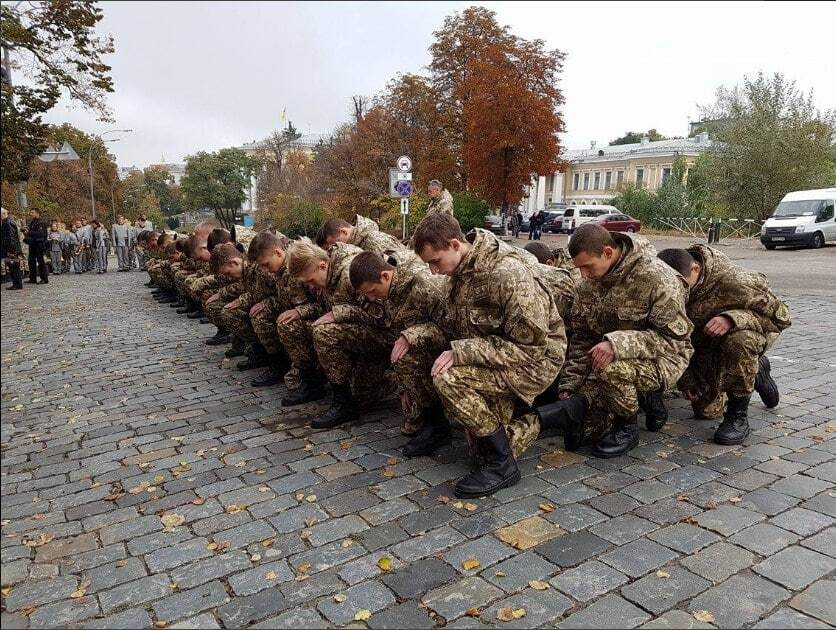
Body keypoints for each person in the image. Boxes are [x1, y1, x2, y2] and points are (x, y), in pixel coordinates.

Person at [412, 214, 566, 497]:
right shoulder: (458, 274)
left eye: (435, 261)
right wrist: (413, 336)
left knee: (448, 379)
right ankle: (550, 417)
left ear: (455, 244)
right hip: (495, 357)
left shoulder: (506, 274)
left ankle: (505, 462)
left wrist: (462, 352)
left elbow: (529, 349)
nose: (433, 271)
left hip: (534, 363)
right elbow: (453, 326)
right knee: (475, 452)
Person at [538, 223, 692, 458]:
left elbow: (673, 340)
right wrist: (569, 386)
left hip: (663, 357)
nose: (583, 275)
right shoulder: (586, 285)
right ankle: (639, 398)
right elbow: (582, 339)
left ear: (608, 252)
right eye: (579, 268)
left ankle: (627, 426)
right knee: (578, 434)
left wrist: (618, 344)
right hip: (606, 356)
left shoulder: (658, 278)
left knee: (613, 371)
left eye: (588, 267)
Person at [657, 246, 791, 445]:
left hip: (745, 336)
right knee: (706, 411)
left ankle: (737, 416)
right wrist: (687, 378)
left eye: (681, 285)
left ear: (695, 269)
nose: (677, 291)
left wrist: (733, 319)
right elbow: (669, 337)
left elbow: (781, 318)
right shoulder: (665, 286)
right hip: (704, 347)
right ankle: (758, 369)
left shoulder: (738, 282)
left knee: (740, 341)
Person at [346, 250, 449, 445]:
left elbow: (450, 329)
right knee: (401, 354)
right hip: (423, 344)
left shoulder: (424, 284)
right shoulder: (390, 289)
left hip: (449, 350)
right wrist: (404, 386)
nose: (370, 298)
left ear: (385, 276)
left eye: (371, 291)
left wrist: (411, 336)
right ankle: (428, 419)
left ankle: (438, 426)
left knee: (405, 355)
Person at [316, 215, 405, 257]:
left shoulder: (375, 241)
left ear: (344, 232)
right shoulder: (359, 244)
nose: (336, 249)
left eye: (335, 244)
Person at [23, 207, 49, 284]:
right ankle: (32, 278)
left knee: (40, 262)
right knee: (31, 261)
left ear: (37, 213)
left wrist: (29, 232)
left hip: (39, 244)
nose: (31, 214)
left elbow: (41, 234)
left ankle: (44, 278)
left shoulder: (42, 222)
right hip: (32, 244)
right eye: (31, 213)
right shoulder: (33, 222)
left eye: (32, 213)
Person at [1, 208, 24, 290]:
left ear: (4, 214)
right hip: (11, 249)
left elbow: (11, 238)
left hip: (11, 249)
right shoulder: (7, 222)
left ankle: (17, 284)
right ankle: (16, 283)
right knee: (12, 266)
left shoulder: (8, 223)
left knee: (14, 266)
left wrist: (11, 251)